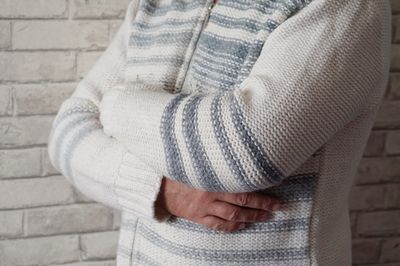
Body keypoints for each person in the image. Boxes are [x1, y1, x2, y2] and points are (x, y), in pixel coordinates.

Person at [47, 0, 391, 265]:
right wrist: (160, 191)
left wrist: (116, 104)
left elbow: (245, 150)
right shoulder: (157, 4)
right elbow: (67, 134)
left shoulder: (342, 6)